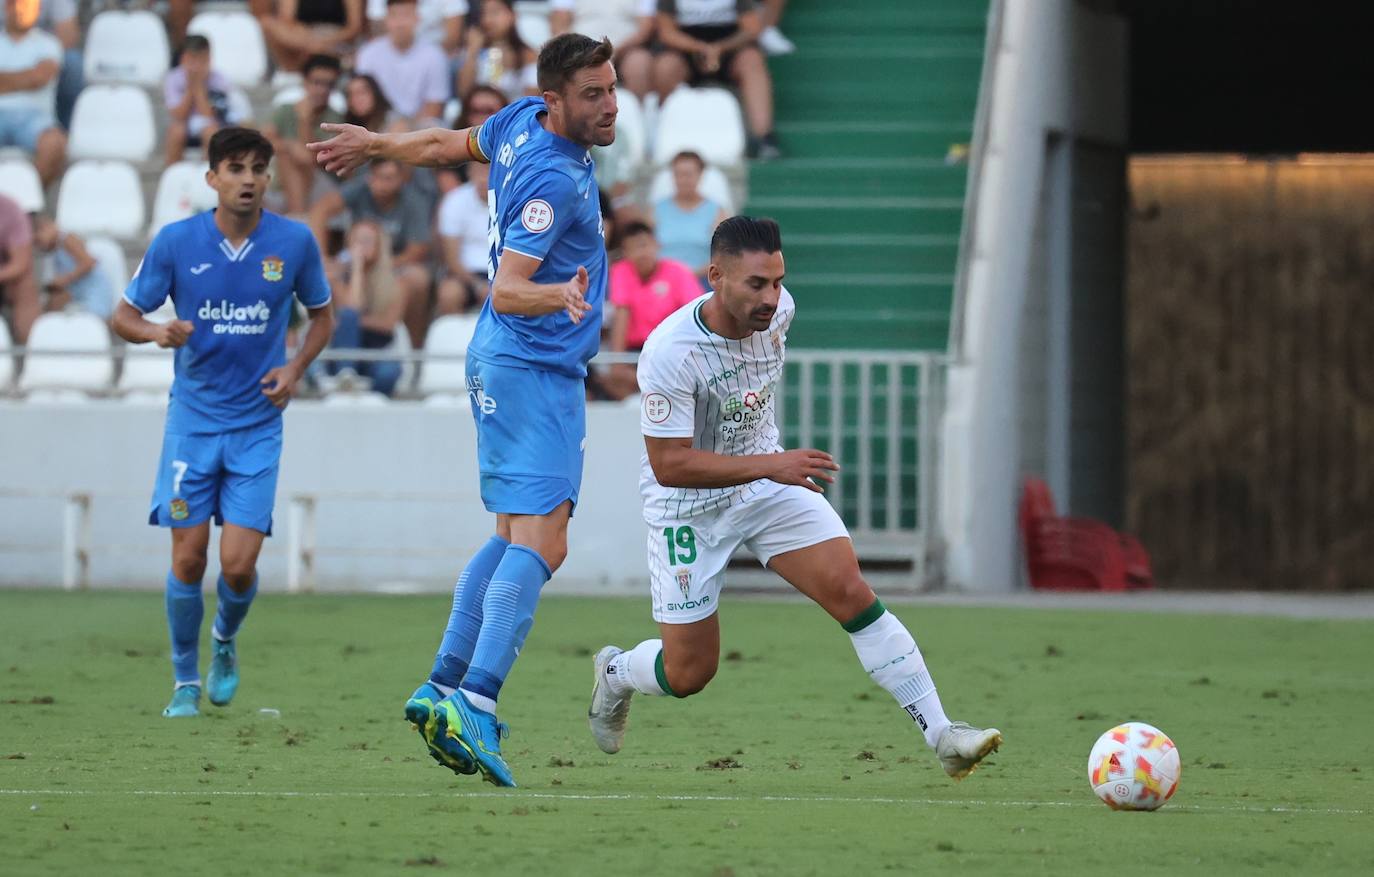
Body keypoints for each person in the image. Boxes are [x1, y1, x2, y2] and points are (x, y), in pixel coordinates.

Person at [586, 216, 1004, 781]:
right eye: (756, 283)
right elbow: (669, 465)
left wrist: (768, 468)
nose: (771, 297)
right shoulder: (668, 351)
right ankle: (615, 672)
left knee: (850, 590)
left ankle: (943, 734)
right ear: (715, 276)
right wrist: (772, 463)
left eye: (778, 281)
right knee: (688, 673)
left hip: (765, 486)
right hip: (687, 505)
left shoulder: (780, 314)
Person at [309, 32, 617, 787]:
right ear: (555, 100)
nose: (609, 106)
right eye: (593, 95)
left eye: (612, 88)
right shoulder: (556, 180)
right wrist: (561, 295)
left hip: (503, 359)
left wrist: (380, 140)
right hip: (531, 363)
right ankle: (476, 701)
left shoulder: (517, 121)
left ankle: (442, 683)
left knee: (514, 531)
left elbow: (450, 142)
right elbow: (509, 286)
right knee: (546, 542)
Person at [111, 127, 335, 719]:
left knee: (237, 565)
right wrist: (158, 331)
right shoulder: (177, 242)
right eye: (235, 168)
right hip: (193, 423)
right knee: (188, 560)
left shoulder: (292, 242)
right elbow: (123, 316)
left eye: (259, 169)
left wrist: (296, 369)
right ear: (212, 179)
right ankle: (185, 679)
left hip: (259, 423)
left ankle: (224, 642)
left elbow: (322, 317)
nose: (248, 179)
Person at [310, 157, 434, 344]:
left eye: (389, 178)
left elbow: (419, 249)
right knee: (326, 274)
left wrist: (382, 266)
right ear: (369, 178)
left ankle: (415, 346)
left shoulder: (413, 201)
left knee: (417, 278)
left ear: (402, 179)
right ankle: (334, 342)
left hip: (395, 264)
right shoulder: (358, 190)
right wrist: (322, 257)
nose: (382, 184)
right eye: (378, 177)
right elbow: (320, 211)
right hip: (355, 260)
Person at [653, 0, 780, 159]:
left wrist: (720, 48)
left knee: (752, 60)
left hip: (730, 48)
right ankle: (661, 131)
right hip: (685, 51)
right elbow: (667, 32)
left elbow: (751, 28)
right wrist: (700, 48)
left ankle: (764, 137)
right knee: (666, 67)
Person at [604, 221, 699, 398]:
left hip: (670, 350)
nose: (641, 253)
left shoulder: (679, 272)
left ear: (657, 244)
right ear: (625, 253)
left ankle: (657, 387)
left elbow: (693, 316)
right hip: (635, 353)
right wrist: (617, 362)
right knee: (612, 380)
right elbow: (621, 315)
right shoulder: (621, 271)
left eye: (644, 245)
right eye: (633, 248)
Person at [326, 219, 407, 394]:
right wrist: (357, 269)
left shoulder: (396, 283)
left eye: (367, 241)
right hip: (341, 355)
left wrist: (355, 322)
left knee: (389, 372)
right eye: (356, 241)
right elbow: (351, 309)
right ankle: (346, 375)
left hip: (376, 353)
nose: (361, 247)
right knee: (348, 316)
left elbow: (388, 325)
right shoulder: (337, 280)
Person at [265, 53, 345, 215]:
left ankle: (297, 216)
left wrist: (304, 120)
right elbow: (264, 140)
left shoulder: (336, 119)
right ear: (305, 82)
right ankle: (297, 217)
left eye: (329, 84)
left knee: (292, 158)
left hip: (322, 185)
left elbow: (313, 159)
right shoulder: (286, 110)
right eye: (317, 82)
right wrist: (288, 145)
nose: (322, 90)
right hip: (282, 183)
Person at [0, 0, 67, 187]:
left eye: (29, 5)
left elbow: (40, 77)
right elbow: (33, 78)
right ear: (7, 7)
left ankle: (27, 201)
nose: (23, 10)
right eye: (18, 4)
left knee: (54, 144)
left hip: (34, 117)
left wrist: (4, 80)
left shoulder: (49, 43)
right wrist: (27, 77)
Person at [356, 0, 451, 124]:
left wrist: (405, 130)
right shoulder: (368, 53)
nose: (400, 23)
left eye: (406, 15)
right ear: (386, 19)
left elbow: (435, 107)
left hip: (418, 128)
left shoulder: (435, 55)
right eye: (394, 15)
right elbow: (360, 97)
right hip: (377, 125)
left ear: (418, 18)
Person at [549, 0, 655, 99]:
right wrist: (580, 50)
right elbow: (559, 25)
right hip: (582, 48)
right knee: (564, 62)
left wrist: (613, 51)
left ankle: (639, 114)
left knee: (639, 63)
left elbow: (645, 28)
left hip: (627, 49)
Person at [164, 35, 244, 165]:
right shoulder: (173, 78)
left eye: (202, 60)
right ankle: (171, 174)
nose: (197, 66)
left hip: (210, 123)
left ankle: (210, 175)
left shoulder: (219, 80)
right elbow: (178, 114)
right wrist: (191, 88)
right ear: (183, 59)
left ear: (209, 59)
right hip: (185, 124)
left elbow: (209, 114)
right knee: (176, 131)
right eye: (192, 60)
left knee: (211, 132)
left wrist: (199, 87)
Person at [654, 150, 728, 288]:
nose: (683, 180)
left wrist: (688, 277)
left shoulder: (717, 212)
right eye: (678, 175)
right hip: (663, 285)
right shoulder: (655, 210)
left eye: (688, 175)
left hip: (702, 281)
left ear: (700, 175)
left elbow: (723, 256)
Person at [435, 158, 490, 314]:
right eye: (478, 171)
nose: (483, 178)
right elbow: (452, 259)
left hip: (503, 273)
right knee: (449, 295)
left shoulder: (513, 199)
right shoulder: (454, 201)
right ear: (469, 173)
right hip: (466, 275)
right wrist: (478, 286)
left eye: (488, 171)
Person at [32, 214, 112, 319]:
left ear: (47, 227)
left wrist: (65, 279)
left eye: (38, 241)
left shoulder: (67, 239)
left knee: (93, 319)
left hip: (94, 291)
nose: (39, 246)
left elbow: (89, 262)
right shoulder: (54, 251)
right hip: (78, 293)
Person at [455, 0, 538, 101]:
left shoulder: (528, 55)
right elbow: (464, 93)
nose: (487, 20)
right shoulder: (474, 52)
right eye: (483, 13)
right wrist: (472, 52)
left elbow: (532, 100)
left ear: (513, 15)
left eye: (494, 13)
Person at [257, 0, 365, 74]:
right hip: (303, 37)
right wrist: (309, 39)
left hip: (336, 38)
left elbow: (354, 28)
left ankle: (309, 60)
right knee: (268, 23)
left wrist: (324, 42)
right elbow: (286, 19)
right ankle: (295, 69)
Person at [0, 192, 38, 344]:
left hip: (3, 280)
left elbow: (20, 263)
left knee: (25, 285)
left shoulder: (9, 209)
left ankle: (31, 350)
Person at [365, 0, 467, 54]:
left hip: (440, 55)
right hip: (392, 55)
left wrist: (422, 57)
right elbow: (379, 34)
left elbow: (452, 39)